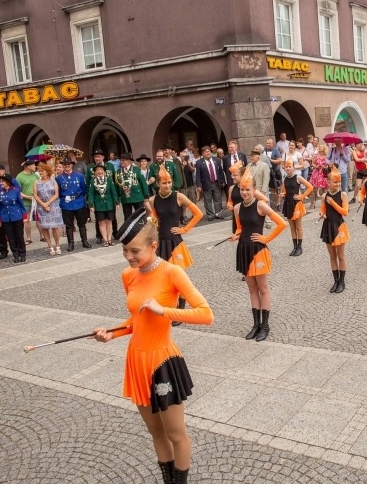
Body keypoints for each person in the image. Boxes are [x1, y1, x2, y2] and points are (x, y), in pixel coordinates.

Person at [92, 208, 214, 484]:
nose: (129, 257)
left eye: (135, 251)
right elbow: (136, 319)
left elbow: (206, 314)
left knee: (175, 433)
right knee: (156, 433)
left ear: (154, 246)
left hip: (162, 363)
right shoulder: (128, 275)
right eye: (125, 251)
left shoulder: (172, 272)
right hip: (136, 361)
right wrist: (111, 333)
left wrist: (165, 311)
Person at [229, 168, 286, 341]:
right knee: (251, 289)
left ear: (254, 190)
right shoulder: (237, 208)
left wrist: (266, 238)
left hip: (258, 251)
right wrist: (236, 234)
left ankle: (265, 325)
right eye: (242, 189)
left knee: (262, 288)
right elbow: (240, 227)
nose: (245, 192)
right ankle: (256, 325)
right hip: (243, 250)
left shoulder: (260, 205)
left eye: (248, 189)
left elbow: (281, 223)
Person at [146, 167, 203, 327]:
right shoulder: (152, 200)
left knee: (179, 278)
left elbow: (198, 213)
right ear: (157, 184)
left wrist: (184, 229)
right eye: (164, 183)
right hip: (160, 242)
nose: (167, 185)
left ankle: (181, 311)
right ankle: (167, 307)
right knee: (163, 278)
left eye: (169, 182)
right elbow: (153, 220)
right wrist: (150, 234)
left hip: (175, 243)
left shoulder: (179, 196)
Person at [320, 165, 350, 293]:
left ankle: (342, 281)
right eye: (335, 182)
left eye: (339, 182)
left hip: (339, 226)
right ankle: (336, 280)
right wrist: (322, 214)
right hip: (328, 226)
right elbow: (322, 209)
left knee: (341, 256)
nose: (338, 184)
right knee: (332, 256)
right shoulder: (324, 196)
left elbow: (345, 212)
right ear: (329, 182)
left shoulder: (343, 195)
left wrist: (333, 203)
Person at [57, 157, 92, 251]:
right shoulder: (59, 178)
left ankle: (84, 241)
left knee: (82, 223)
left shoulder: (79, 175)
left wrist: (79, 197)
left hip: (78, 202)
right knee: (69, 225)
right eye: (65, 165)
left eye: (68, 164)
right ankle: (70, 243)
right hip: (66, 204)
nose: (67, 166)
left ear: (72, 165)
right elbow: (59, 192)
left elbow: (84, 188)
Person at [281, 159, 312, 256]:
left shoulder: (298, 177)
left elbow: (310, 187)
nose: (288, 168)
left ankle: (300, 247)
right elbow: (285, 191)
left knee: (298, 227)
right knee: (292, 228)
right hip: (288, 204)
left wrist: (302, 196)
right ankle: (294, 247)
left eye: (290, 166)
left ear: (293, 168)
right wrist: (283, 194)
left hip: (297, 205)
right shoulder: (284, 179)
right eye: (286, 166)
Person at [227, 161, 268, 235]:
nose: (232, 177)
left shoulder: (249, 189)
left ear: (242, 176)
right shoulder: (231, 188)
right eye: (232, 175)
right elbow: (230, 200)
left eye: (235, 175)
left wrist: (256, 210)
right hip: (237, 217)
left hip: (249, 218)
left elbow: (265, 199)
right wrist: (229, 204)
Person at [0, 174, 28, 263]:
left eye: (3, 181)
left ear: (8, 182)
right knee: (11, 237)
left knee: (19, 236)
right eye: (0, 181)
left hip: (16, 216)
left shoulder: (16, 191)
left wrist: (24, 217)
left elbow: (21, 205)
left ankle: (22, 254)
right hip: (5, 218)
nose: (1, 183)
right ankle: (15, 255)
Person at [87, 149, 117, 243]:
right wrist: (91, 204)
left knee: (110, 220)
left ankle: (112, 236)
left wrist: (116, 201)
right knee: (100, 221)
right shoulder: (90, 168)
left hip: (109, 201)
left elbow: (114, 185)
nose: (97, 158)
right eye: (95, 157)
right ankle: (101, 237)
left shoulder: (110, 166)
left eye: (99, 156)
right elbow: (89, 187)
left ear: (103, 157)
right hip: (98, 202)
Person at [34, 163, 64, 255]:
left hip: (53, 206)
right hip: (41, 206)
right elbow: (35, 194)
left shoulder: (53, 181)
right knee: (45, 227)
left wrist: (48, 203)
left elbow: (56, 194)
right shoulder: (36, 182)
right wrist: (43, 204)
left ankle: (57, 245)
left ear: (47, 172)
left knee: (55, 227)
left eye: (42, 171)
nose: (40, 172)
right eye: (40, 171)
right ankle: (50, 246)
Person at [195, 145, 226, 221]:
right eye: (206, 152)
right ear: (202, 153)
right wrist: (199, 185)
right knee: (208, 200)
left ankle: (218, 213)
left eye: (209, 151)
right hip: (206, 183)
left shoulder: (217, 160)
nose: (208, 153)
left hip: (216, 182)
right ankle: (210, 215)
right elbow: (198, 175)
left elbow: (221, 172)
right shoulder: (199, 162)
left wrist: (223, 181)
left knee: (218, 199)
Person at [115, 153, 149, 221]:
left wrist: (146, 196)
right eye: (121, 160)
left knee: (141, 216)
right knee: (127, 218)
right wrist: (117, 200)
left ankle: (141, 230)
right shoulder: (117, 172)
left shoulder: (137, 170)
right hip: (125, 198)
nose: (122, 162)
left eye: (124, 160)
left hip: (137, 197)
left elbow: (143, 183)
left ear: (129, 161)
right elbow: (116, 187)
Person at [15, 160, 39, 244]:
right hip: (26, 202)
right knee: (27, 220)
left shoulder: (35, 175)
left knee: (38, 219)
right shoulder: (19, 176)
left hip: (36, 200)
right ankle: (28, 238)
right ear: (28, 166)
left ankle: (42, 236)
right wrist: (28, 197)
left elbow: (39, 185)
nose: (35, 166)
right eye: (33, 165)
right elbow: (18, 191)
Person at [309, 143, 329, 209]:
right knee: (314, 188)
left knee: (324, 188)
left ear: (324, 148)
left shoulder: (326, 156)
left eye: (321, 146)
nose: (320, 147)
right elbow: (312, 164)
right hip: (316, 172)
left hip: (323, 173)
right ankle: (312, 203)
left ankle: (325, 202)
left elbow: (329, 164)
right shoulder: (316, 155)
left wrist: (325, 166)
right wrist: (316, 166)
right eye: (319, 146)